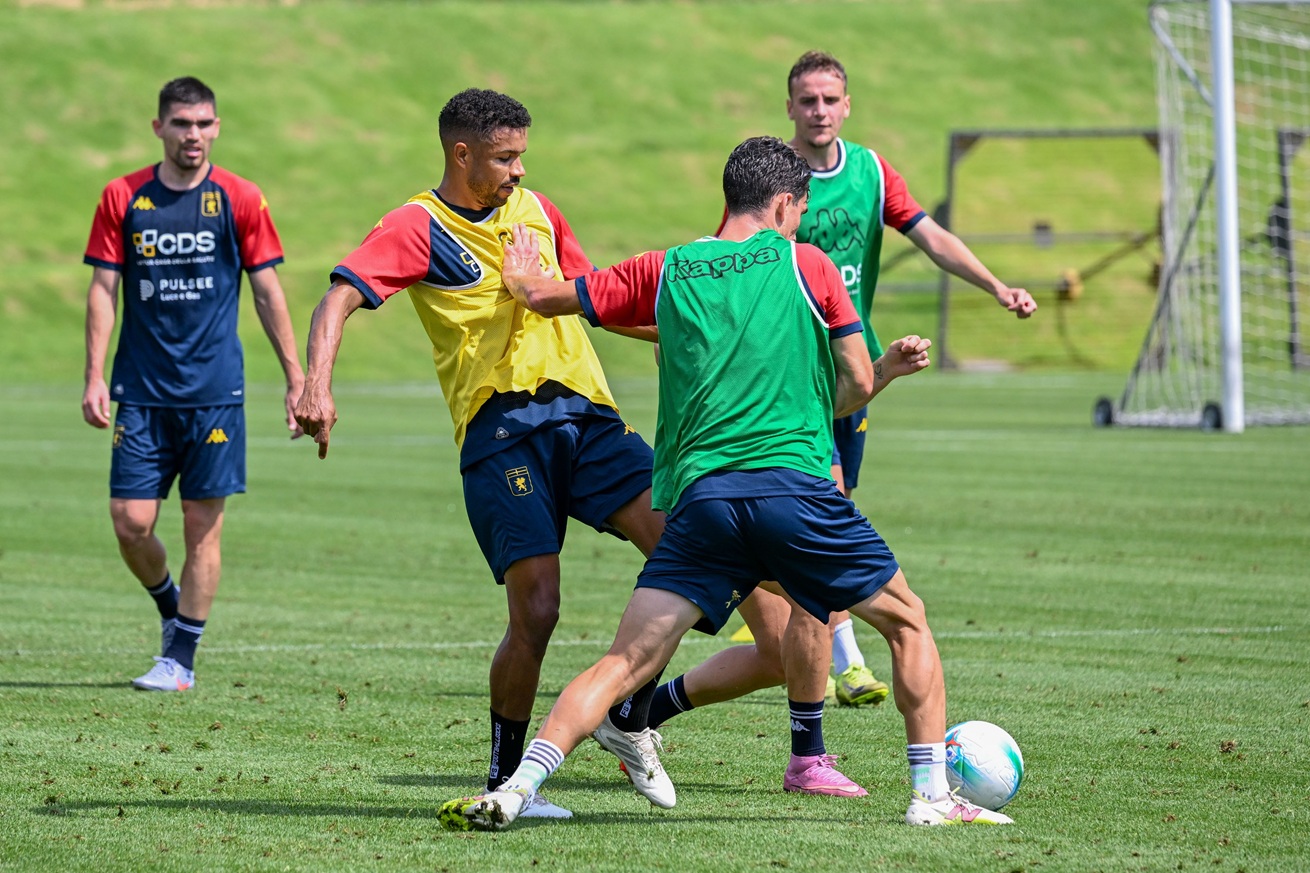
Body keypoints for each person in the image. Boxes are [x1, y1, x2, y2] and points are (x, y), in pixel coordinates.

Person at [439, 135, 1013, 831]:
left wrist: (522, 276)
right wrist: (882, 373)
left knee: (624, 660)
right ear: (783, 203)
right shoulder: (811, 266)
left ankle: (516, 787)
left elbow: (545, 297)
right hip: (795, 493)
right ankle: (930, 795)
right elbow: (856, 384)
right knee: (906, 621)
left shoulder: (668, 266)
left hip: (701, 504)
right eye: (799, 209)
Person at [292, 88, 674, 819]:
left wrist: (682, 331)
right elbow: (338, 297)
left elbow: (588, 294)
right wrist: (317, 386)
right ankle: (508, 782)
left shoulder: (539, 211)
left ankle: (628, 716)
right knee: (537, 608)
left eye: (522, 155)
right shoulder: (418, 225)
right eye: (504, 157)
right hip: (501, 430)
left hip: (589, 415)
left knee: (688, 546)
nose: (518, 171)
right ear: (460, 153)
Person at [651, 50, 1042, 719]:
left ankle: (803, 667)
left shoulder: (869, 171)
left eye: (830, 99)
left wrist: (996, 285)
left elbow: (931, 236)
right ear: (790, 108)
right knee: (817, 510)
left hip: (848, 366)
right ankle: (841, 665)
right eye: (808, 100)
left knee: (829, 509)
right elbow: (717, 276)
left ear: (847, 104)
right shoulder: (767, 185)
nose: (820, 111)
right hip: (781, 377)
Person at [81, 77, 304, 693]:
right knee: (130, 521)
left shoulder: (240, 198)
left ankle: (179, 661)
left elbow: (266, 290)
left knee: (202, 527)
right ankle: (170, 607)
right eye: (182, 124)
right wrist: (94, 375)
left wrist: (296, 378)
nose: (194, 135)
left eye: (205, 123)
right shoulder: (123, 196)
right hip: (141, 393)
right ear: (159, 128)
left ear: (217, 127)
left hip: (215, 393)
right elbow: (104, 290)